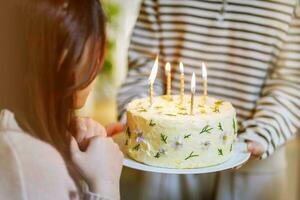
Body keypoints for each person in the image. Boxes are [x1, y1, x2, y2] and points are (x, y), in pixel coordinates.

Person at [118, 0, 300, 199]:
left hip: (252, 161)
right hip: (165, 157)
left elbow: (291, 80)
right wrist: (138, 120)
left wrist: (263, 133)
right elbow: (144, 67)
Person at [0, 0, 124, 199]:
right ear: (61, 54)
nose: (98, 60)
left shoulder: (22, 138)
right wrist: (105, 182)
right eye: (92, 42)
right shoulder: (31, 163)